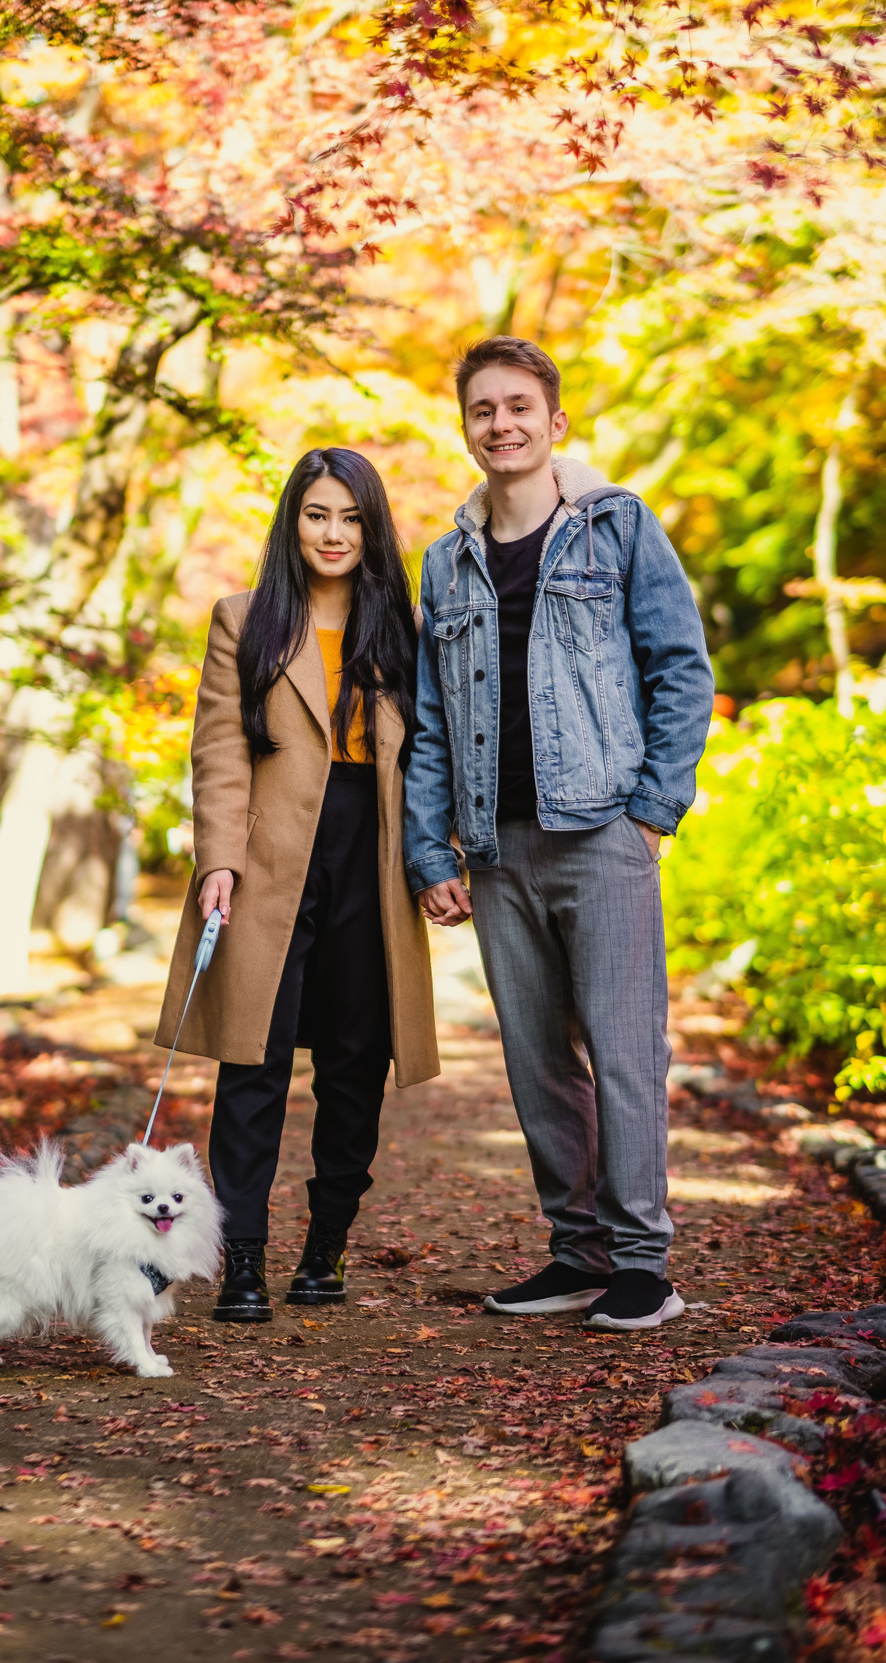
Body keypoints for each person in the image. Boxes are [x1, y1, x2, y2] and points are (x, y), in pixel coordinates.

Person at [403, 336, 713, 1332]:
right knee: (537, 1062)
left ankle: (641, 1266)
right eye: (483, 409)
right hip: (496, 849)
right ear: (467, 427)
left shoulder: (617, 529)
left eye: (519, 406)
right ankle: (575, 1255)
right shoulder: (445, 564)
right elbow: (432, 720)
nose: (502, 423)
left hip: (601, 832)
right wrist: (430, 848)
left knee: (625, 1055)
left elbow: (681, 667)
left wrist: (655, 808)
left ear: (555, 421)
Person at [155, 447, 439, 1323]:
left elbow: (426, 751)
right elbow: (219, 751)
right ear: (293, 520)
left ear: (373, 529)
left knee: (356, 1062)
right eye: (318, 514)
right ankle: (241, 1259)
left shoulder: (401, 626)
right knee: (254, 1060)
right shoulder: (246, 619)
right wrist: (218, 862)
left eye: (352, 518)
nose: (334, 533)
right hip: (270, 857)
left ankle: (327, 1249)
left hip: (372, 855)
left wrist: (438, 858)